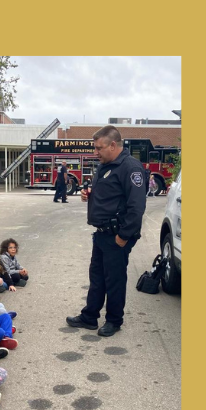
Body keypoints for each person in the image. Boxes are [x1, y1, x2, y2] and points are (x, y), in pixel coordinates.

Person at [66, 126, 147, 337]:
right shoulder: (105, 165)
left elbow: (136, 206)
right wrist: (89, 194)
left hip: (117, 235)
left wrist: (124, 236)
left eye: (99, 148)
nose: (96, 152)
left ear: (113, 145)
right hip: (102, 233)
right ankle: (89, 316)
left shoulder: (131, 167)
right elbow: (109, 194)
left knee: (115, 279)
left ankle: (114, 320)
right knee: (97, 277)